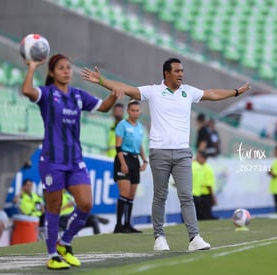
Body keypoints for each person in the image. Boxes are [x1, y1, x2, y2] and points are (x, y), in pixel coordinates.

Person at [82, 57, 251, 251]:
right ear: (167, 73)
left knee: (186, 196)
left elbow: (212, 94)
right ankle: (159, 238)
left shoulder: (188, 92)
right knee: (160, 196)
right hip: (159, 152)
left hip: (182, 152)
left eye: (182, 71)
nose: (181, 74)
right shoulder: (153, 91)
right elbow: (126, 88)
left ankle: (194, 237)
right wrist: (102, 81)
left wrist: (236, 92)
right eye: (177, 71)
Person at [21, 53, 122, 270]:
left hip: (75, 160)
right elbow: (27, 90)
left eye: (68, 67)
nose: (66, 71)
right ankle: (52, 255)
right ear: (52, 73)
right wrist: (31, 67)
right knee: (54, 207)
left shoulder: (78, 95)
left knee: (86, 204)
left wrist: (113, 94)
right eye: (61, 68)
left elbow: (104, 107)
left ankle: (64, 242)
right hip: (52, 161)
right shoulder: (47, 94)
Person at [113, 100, 148, 234]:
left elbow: (140, 146)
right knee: (124, 193)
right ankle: (118, 225)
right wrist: (123, 163)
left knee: (131, 195)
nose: (135, 112)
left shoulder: (140, 127)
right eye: (132, 110)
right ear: (128, 111)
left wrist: (144, 160)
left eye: (137, 110)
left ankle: (127, 224)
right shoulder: (122, 125)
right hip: (124, 158)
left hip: (134, 159)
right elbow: (118, 146)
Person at [192, 151, 217, 220]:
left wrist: (212, 197)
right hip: (199, 194)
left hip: (204, 195)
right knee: (201, 216)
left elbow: (209, 185)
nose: (196, 158)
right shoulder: (200, 166)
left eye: (198, 157)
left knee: (203, 216)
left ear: (203, 158)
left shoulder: (205, 168)